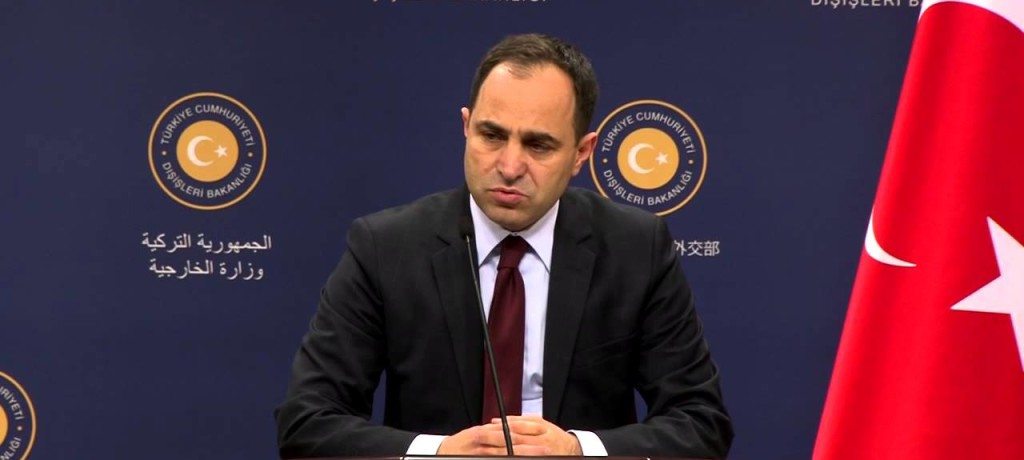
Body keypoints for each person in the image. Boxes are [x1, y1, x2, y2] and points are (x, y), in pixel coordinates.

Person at [275, 33, 733, 459]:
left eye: (539, 145)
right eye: (492, 136)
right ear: (466, 126)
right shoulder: (385, 247)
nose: (510, 166)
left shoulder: (635, 248)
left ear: (582, 153)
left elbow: (700, 423)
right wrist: (439, 453)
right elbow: (307, 423)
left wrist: (579, 451)